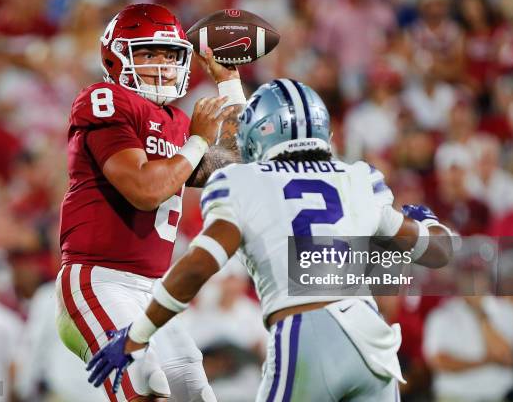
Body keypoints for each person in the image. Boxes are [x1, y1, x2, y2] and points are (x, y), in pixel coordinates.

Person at [87, 78, 455, 401]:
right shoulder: (359, 177)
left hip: (306, 333)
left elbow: (200, 264)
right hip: (373, 342)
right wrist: (428, 221)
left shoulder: (241, 181)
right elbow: (440, 251)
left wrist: (138, 333)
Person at [55, 3, 247, 402]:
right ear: (116, 55)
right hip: (100, 279)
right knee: (147, 387)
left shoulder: (176, 120)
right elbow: (144, 190)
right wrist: (196, 141)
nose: (161, 64)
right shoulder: (105, 99)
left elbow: (237, 166)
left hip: (152, 290)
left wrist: (229, 84)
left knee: (195, 393)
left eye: (169, 54)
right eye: (146, 53)